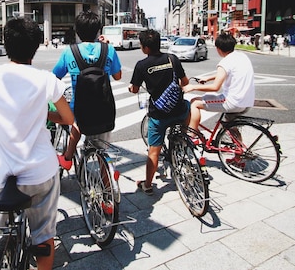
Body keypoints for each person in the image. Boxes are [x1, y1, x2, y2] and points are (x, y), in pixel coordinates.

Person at [0, 18, 74, 270]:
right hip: (41, 173)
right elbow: (68, 118)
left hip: (1, 175)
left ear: (6, 44)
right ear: (36, 46)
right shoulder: (46, 79)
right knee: (44, 237)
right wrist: (44, 113)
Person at [52, 11, 122, 170]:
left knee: (75, 121)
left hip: (80, 110)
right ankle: (109, 184)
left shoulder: (69, 52)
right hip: (105, 109)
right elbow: (117, 76)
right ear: (98, 31)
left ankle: (68, 157)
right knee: (101, 150)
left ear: (77, 31)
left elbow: (54, 77)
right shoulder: (108, 49)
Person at [128, 29, 190, 195]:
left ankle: (148, 185)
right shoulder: (172, 59)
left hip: (159, 114)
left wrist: (132, 87)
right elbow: (185, 82)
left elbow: (134, 89)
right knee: (188, 105)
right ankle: (184, 135)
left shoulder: (142, 65)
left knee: (153, 151)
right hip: (179, 110)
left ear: (145, 48)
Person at [183, 32, 255, 167]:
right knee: (230, 125)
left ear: (218, 48)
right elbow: (227, 73)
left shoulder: (225, 62)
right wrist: (207, 78)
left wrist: (193, 87)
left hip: (231, 101)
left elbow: (216, 87)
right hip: (247, 101)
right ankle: (239, 157)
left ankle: (192, 137)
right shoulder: (242, 56)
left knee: (195, 103)